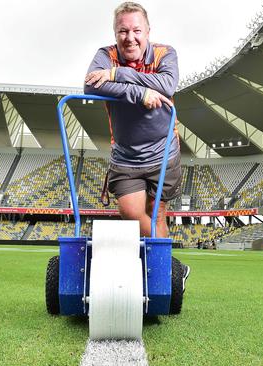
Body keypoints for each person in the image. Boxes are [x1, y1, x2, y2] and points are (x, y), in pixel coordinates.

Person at [84, 1, 190, 291]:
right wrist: (140, 92)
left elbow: (167, 85)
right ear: (115, 33)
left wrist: (118, 75)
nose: (130, 37)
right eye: (123, 31)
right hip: (126, 154)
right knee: (131, 212)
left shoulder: (165, 53)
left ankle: (160, 277)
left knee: (158, 213)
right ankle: (168, 267)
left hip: (163, 150)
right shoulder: (104, 54)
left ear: (147, 31)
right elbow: (91, 86)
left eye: (136, 30)